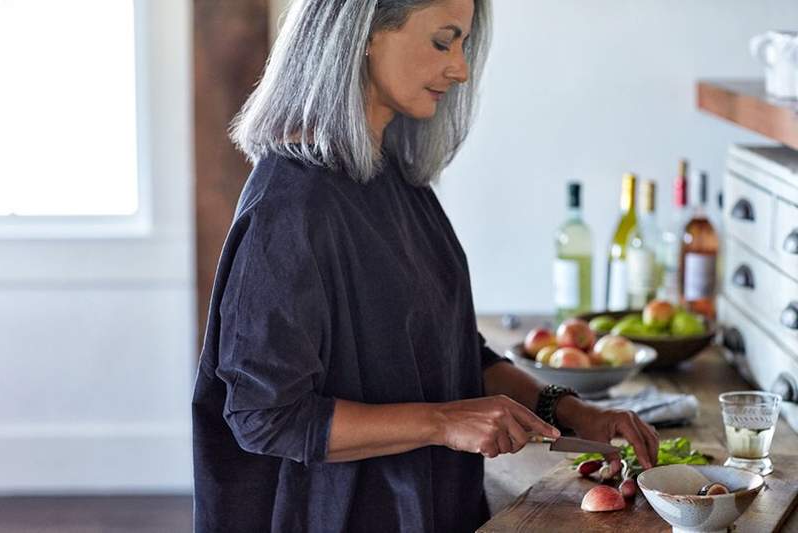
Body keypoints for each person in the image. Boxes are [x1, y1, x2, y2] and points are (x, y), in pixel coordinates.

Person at [191, 1, 659, 531]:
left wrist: (572, 411)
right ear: (364, 33)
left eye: (462, 46)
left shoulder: (395, 181)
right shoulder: (291, 206)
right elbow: (264, 416)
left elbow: (454, 354)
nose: (459, 69)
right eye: (443, 41)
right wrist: (441, 423)